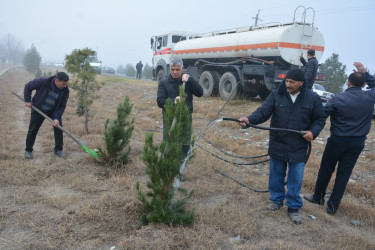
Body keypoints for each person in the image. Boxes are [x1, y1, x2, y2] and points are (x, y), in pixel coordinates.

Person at [238, 68, 326, 224]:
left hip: (298, 146)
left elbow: (320, 119)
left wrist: (313, 132)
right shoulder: (276, 95)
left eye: (292, 82)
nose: (288, 84)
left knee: (295, 178)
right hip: (278, 143)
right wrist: (249, 119)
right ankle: (276, 200)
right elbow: (263, 112)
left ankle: (293, 207)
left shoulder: (312, 98)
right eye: (286, 81)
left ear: (301, 83)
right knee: (276, 175)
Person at [304, 62, 375, 215]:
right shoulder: (370, 96)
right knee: (344, 175)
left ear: (348, 83)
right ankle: (333, 206)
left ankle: (318, 197)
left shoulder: (338, 98)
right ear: (363, 84)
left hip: (337, 140)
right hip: (357, 143)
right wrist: (366, 73)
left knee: (326, 169)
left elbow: (321, 115)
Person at [156, 57, 203, 155]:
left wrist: (190, 80)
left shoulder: (187, 82)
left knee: (184, 147)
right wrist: (173, 101)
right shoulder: (163, 83)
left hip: (186, 119)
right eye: (173, 69)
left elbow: (200, 93)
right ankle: (167, 168)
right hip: (169, 120)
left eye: (178, 69)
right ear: (169, 68)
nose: (175, 72)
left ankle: (180, 167)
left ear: (182, 68)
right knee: (168, 146)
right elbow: (160, 101)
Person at [24, 72, 70, 159]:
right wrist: (27, 100)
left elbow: (62, 106)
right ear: (57, 81)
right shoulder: (43, 81)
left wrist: (57, 118)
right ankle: (28, 150)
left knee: (58, 128)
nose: (65, 86)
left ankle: (58, 150)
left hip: (53, 111)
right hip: (39, 109)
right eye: (63, 84)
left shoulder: (65, 90)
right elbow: (28, 86)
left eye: (66, 84)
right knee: (33, 130)